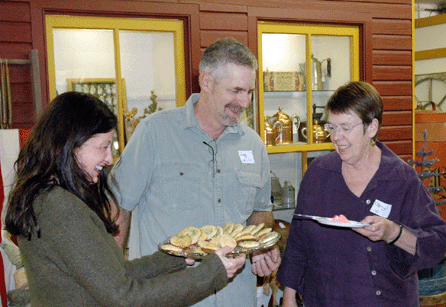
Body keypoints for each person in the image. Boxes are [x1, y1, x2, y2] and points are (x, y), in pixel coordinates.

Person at [4, 91, 246, 307]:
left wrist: (178, 257)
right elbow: (125, 297)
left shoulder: (50, 198)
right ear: (71, 145)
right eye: (103, 147)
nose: (109, 159)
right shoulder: (60, 207)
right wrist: (213, 272)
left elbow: (117, 273)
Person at [110, 37, 281, 307]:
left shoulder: (253, 144)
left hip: (235, 296)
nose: (245, 101)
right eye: (236, 90)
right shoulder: (154, 133)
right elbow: (118, 207)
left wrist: (262, 245)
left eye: (250, 92)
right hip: (169, 296)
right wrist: (113, 280)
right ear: (206, 83)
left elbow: (260, 211)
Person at [277, 81, 446, 307]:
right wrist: (288, 296)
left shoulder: (401, 179)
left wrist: (393, 232)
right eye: (332, 127)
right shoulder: (318, 173)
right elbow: (298, 240)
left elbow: (437, 243)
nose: (336, 137)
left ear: (372, 127)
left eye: (346, 127)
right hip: (324, 299)